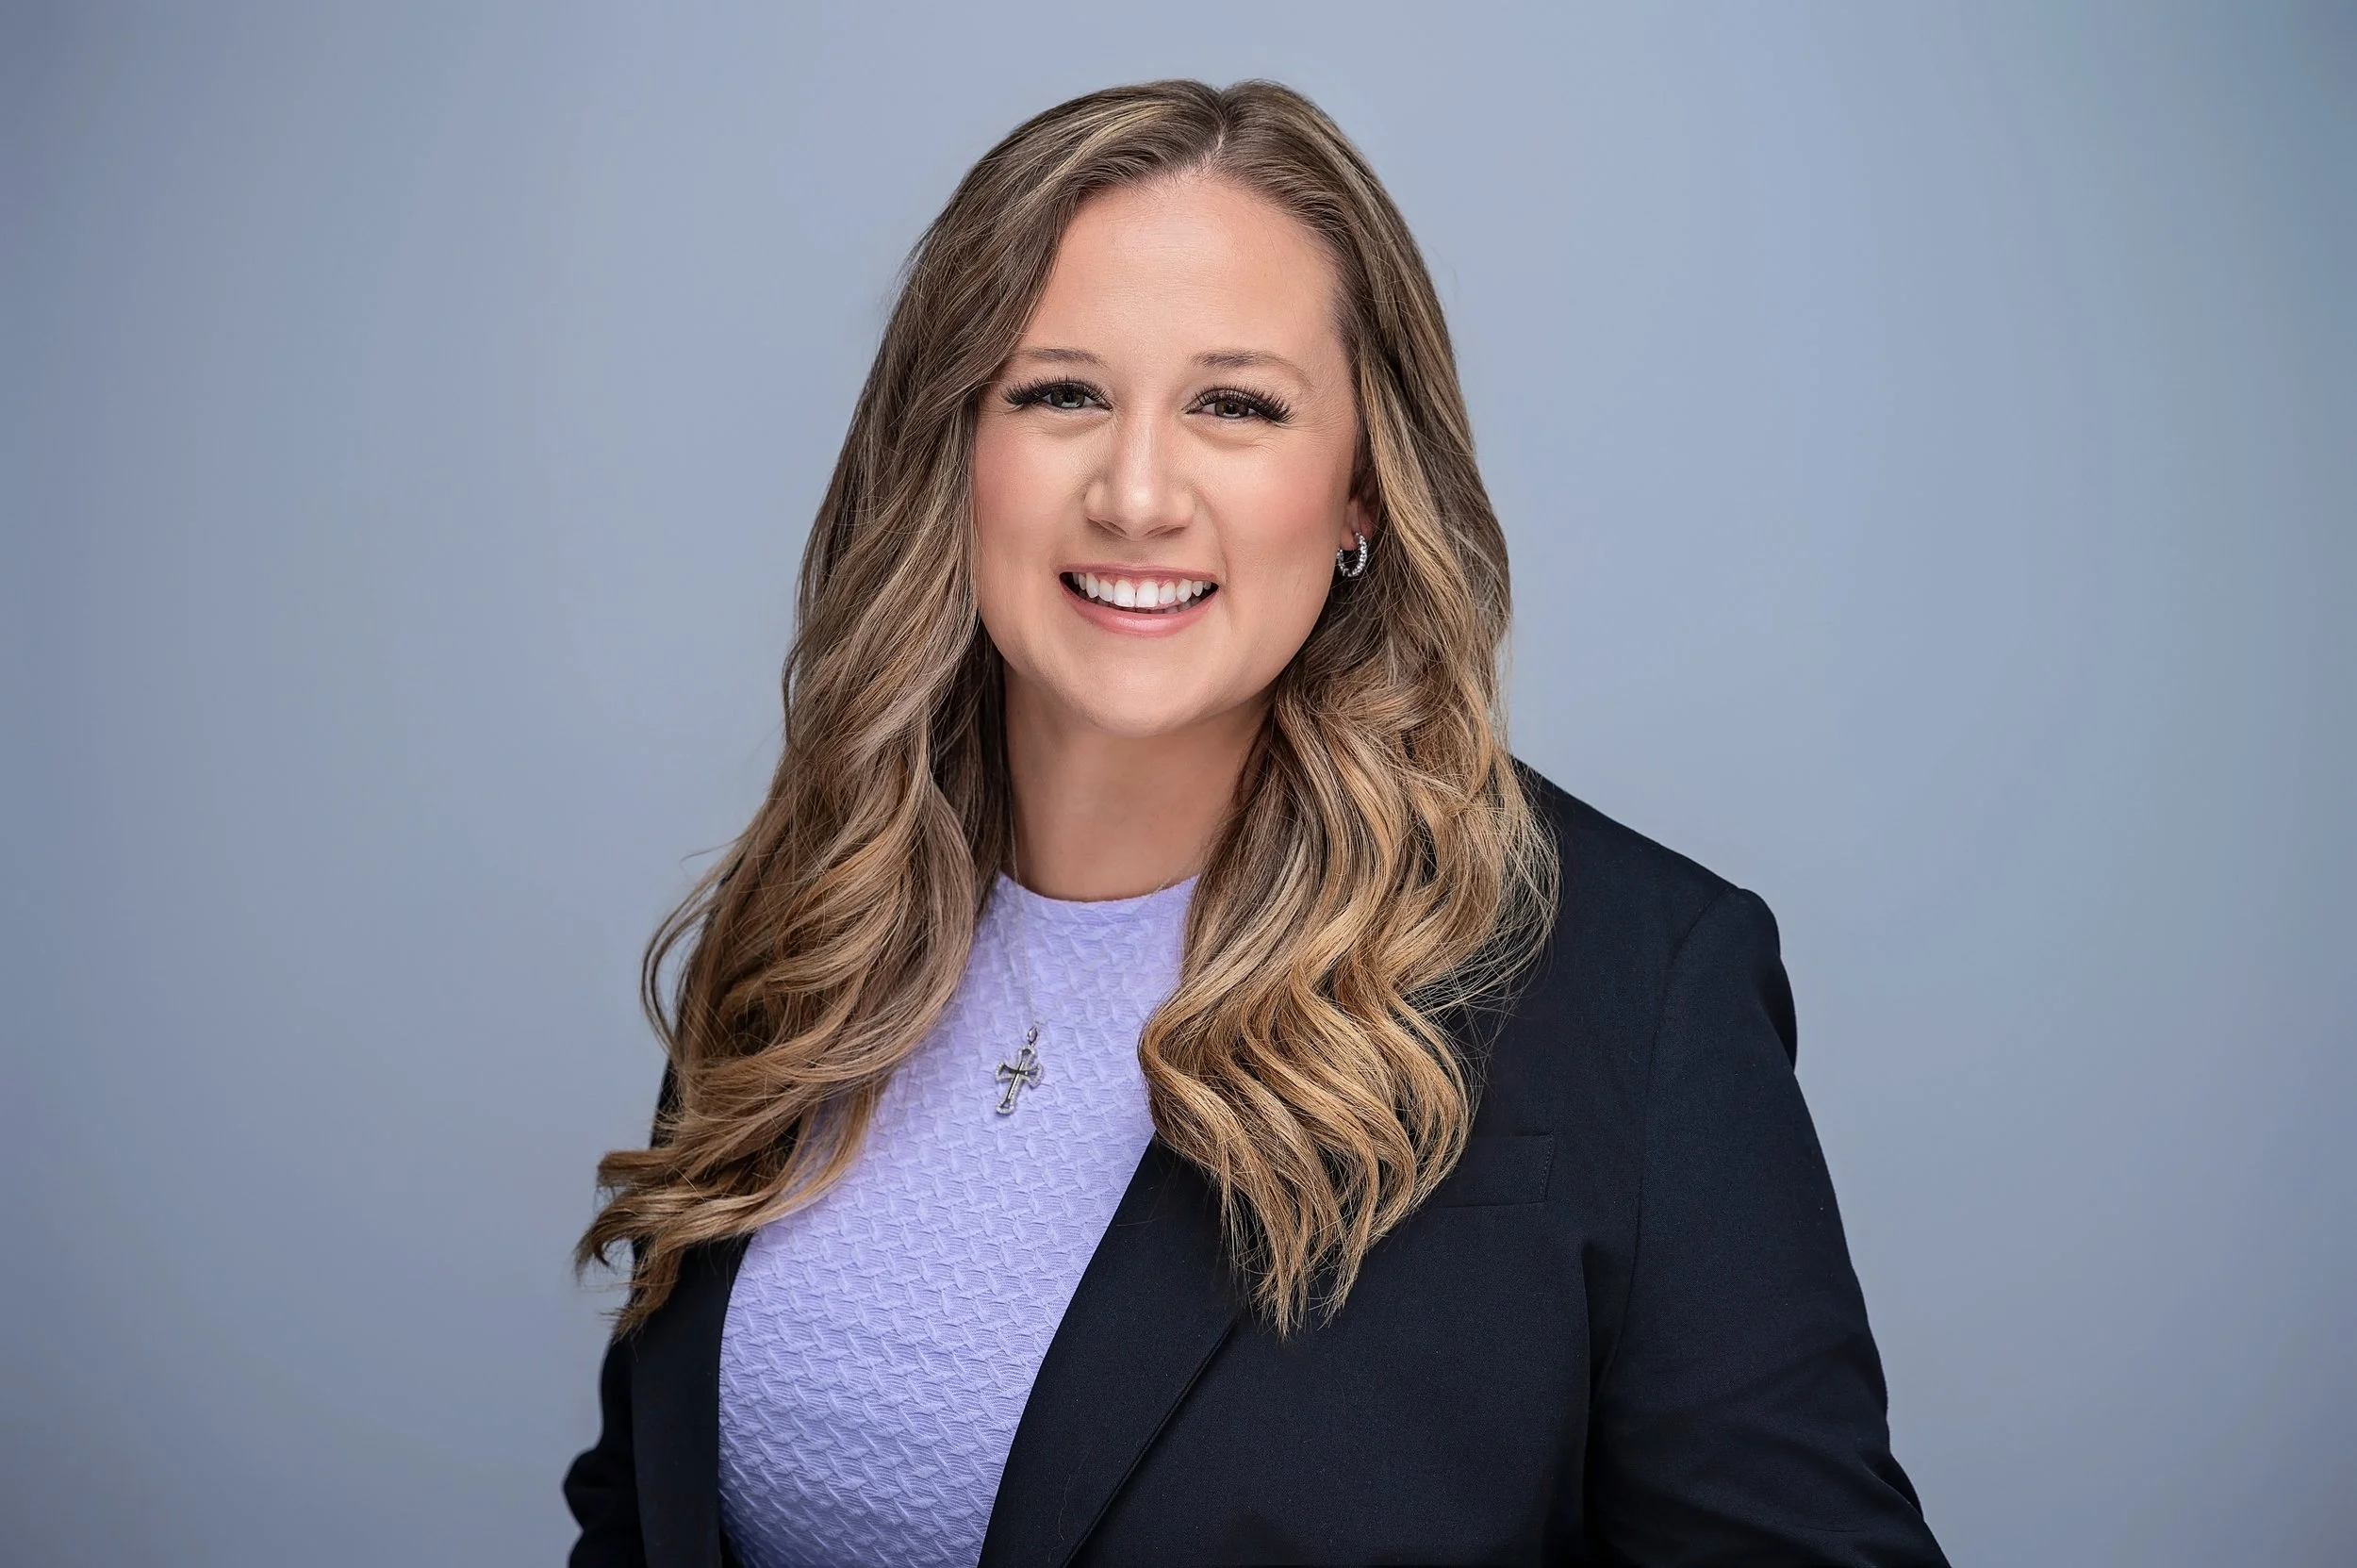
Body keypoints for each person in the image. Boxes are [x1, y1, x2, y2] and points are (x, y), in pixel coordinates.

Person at [563, 78, 1948, 1568]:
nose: (1139, 491)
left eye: (1235, 403)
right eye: (1058, 393)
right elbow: (642, 1518)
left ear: (1360, 487)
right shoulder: (809, 927)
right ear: (951, 453)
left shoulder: (1637, 983)